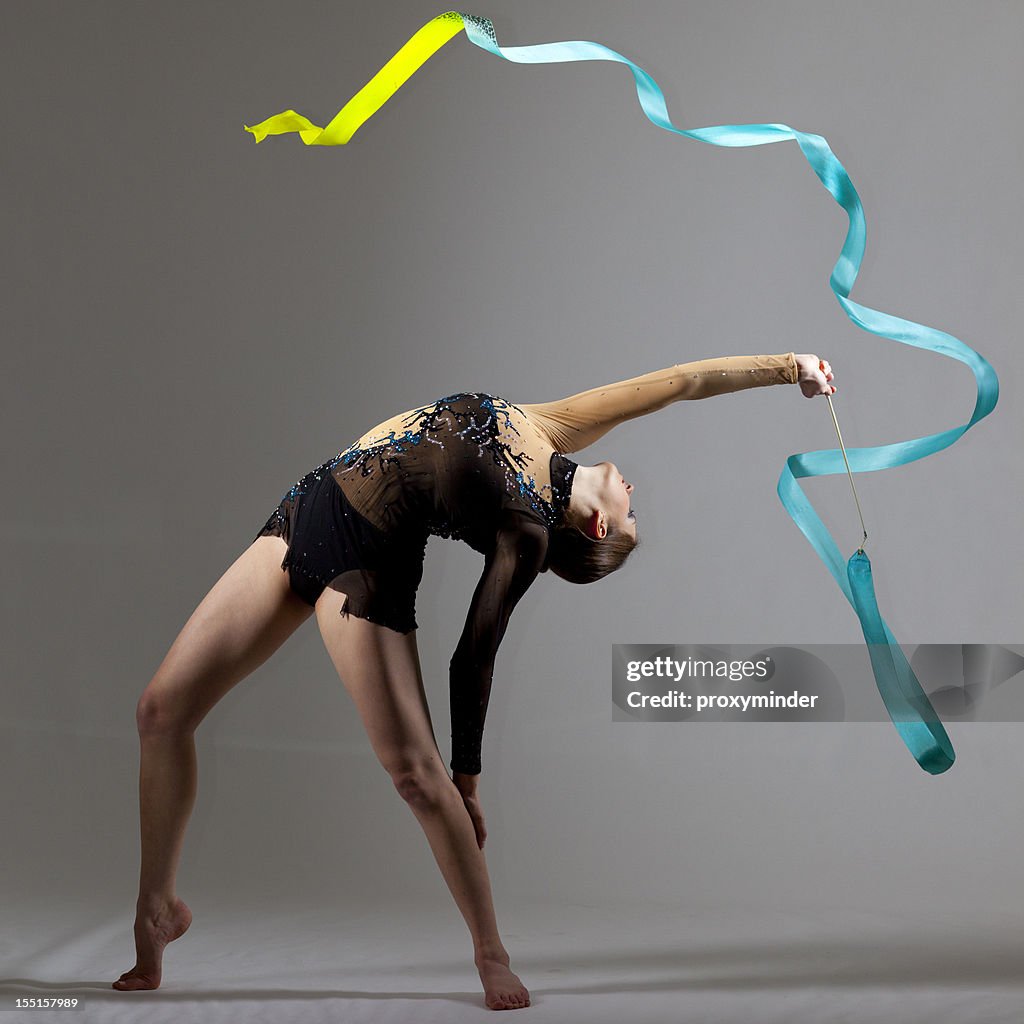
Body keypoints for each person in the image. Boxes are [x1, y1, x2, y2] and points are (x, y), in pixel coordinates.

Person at [112, 351, 835, 1009]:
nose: (634, 490)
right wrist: (789, 366)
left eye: (632, 515)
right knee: (160, 712)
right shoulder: (547, 428)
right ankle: (158, 908)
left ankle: (491, 953)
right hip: (306, 507)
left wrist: (468, 777)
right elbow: (677, 384)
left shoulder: (527, 533)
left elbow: (474, 654)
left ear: (597, 529)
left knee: (416, 778)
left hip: (362, 565)